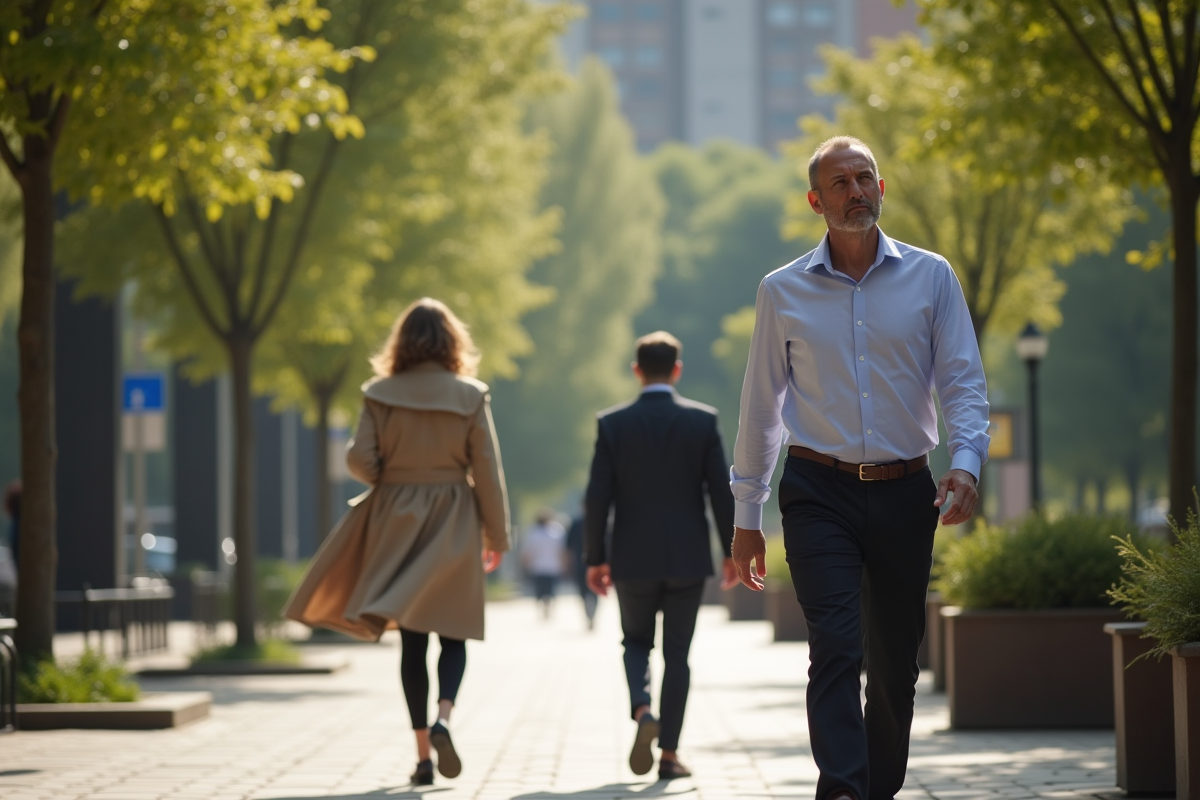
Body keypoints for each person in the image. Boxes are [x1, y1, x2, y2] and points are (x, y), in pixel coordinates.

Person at [729, 136, 988, 800]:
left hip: (908, 490)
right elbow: (762, 408)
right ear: (816, 201)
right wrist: (746, 516)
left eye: (865, 177)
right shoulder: (781, 291)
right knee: (836, 645)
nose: (855, 190)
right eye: (840, 182)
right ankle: (843, 788)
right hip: (818, 488)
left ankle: (876, 788)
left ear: (881, 187)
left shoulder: (932, 277)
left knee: (896, 661)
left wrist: (966, 462)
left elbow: (961, 380)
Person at [285, 298, 510, 787]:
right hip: (454, 514)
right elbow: (487, 471)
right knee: (454, 630)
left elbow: (359, 460)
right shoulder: (470, 395)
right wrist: (497, 536)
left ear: (401, 342)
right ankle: (445, 716)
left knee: (412, 639)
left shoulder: (380, 394)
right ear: (453, 341)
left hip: (398, 517)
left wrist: (394, 473)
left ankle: (423, 756)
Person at [584, 331, 738, 781]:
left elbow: (597, 497)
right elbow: (719, 493)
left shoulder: (612, 424)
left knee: (635, 642)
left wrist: (595, 557)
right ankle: (669, 755)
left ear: (636, 371)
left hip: (632, 556)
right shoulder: (703, 421)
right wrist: (732, 550)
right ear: (677, 370)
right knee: (678, 655)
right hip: (688, 556)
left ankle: (642, 708)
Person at [521, 508, 567, 619]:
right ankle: (548, 604)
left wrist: (525, 564)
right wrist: (564, 564)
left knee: (539, 589)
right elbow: (561, 551)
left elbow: (528, 552)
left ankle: (542, 605)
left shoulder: (533, 533)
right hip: (553, 566)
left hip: (538, 567)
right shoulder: (557, 532)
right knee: (551, 589)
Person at [565, 504, 598, 629]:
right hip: (596, 563)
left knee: (583, 592)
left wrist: (567, 565)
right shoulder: (600, 523)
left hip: (580, 564)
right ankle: (592, 613)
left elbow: (568, 549)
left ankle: (588, 613)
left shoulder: (576, 524)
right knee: (595, 592)